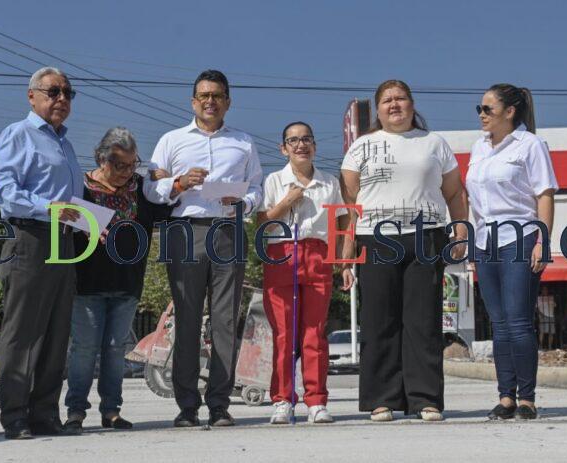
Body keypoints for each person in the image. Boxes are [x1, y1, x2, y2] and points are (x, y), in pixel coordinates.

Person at [341, 79, 469, 422]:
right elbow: (351, 203)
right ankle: (381, 399)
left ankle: (424, 398)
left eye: (400, 99)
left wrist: (459, 230)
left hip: (426, 236)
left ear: (412, 105)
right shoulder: (362, 146)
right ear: (378, 108)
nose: (394, 105)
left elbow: (455, 192)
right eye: (387, 100)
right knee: (378, 320)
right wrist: (348, 252)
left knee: (423, 321)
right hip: (376, 237)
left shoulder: (433, 143)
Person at [145, 69, 263, 427]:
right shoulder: (171, 140)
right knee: (187, 318)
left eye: (217, 96)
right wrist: (177, 183)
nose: (210, 101)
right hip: (185, 232)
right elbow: (151, 190)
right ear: (193, 101)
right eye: (204, 95)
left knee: (226, 321)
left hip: (228, 231)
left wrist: (243, 202)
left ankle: (219, 404)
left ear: (228, 102)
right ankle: (187, 406)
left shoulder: (243, 142)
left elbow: (258, 189)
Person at [0, 67, 83, 439]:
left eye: (68, 93)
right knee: (22, 331)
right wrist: (50, 208)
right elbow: (3, 191)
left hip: (66, 240)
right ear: (32, 96)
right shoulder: (19, 134)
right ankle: (15, 415)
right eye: (54, 91)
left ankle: (45, 413)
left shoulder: (66, 143)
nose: (62, 99)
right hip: (29, 237)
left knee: (58, 331)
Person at [63, 127, 172, 433]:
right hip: (87, 282)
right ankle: (75, 411)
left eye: (132, 164)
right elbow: (64, 219)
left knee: (115, 349)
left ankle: (111, 410)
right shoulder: (80, 187)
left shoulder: (140, 188)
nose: (127, 172)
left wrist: (165, 181)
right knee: (84, 348)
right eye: (120, 165)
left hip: (127, 282)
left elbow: (167, 211)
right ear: (101, 159)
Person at [467, 83, 557, 420]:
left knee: (519, 322)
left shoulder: (530, 145)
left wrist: (543, 242)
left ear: (510, 111)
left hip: (519, 237)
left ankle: (527, 399)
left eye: (488, 109)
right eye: (480, 108)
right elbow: (475, 199)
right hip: (484, 241)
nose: (482, 114)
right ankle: (506, 397)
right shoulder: (479, 148)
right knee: (498, 324)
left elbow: (545, 194)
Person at [257, 121, 353, 424]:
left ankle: (316, 401)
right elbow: (262, 224)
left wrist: (346, 263)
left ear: (314, 145)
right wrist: (286, 202)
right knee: (284, 334)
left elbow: (342, 225)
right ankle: (283, 399)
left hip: (318, 254)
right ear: (283, 148)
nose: (301, 145)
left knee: (315, 333)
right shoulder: (274, 180)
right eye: (293, 140)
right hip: (281, 253)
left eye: (307, 139)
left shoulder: (328, 183)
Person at [537, 286, 556, 350]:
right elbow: (536, 308)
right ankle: (540, 346)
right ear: (541, 291)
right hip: (543, 316)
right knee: (542, 332)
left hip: (551, 315)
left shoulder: (551, 298)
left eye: (546, 289)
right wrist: (540, 314)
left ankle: (550, 346)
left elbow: (555, 306)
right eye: (544, 290)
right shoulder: (539, 298)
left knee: (551, 332)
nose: (545, 291)